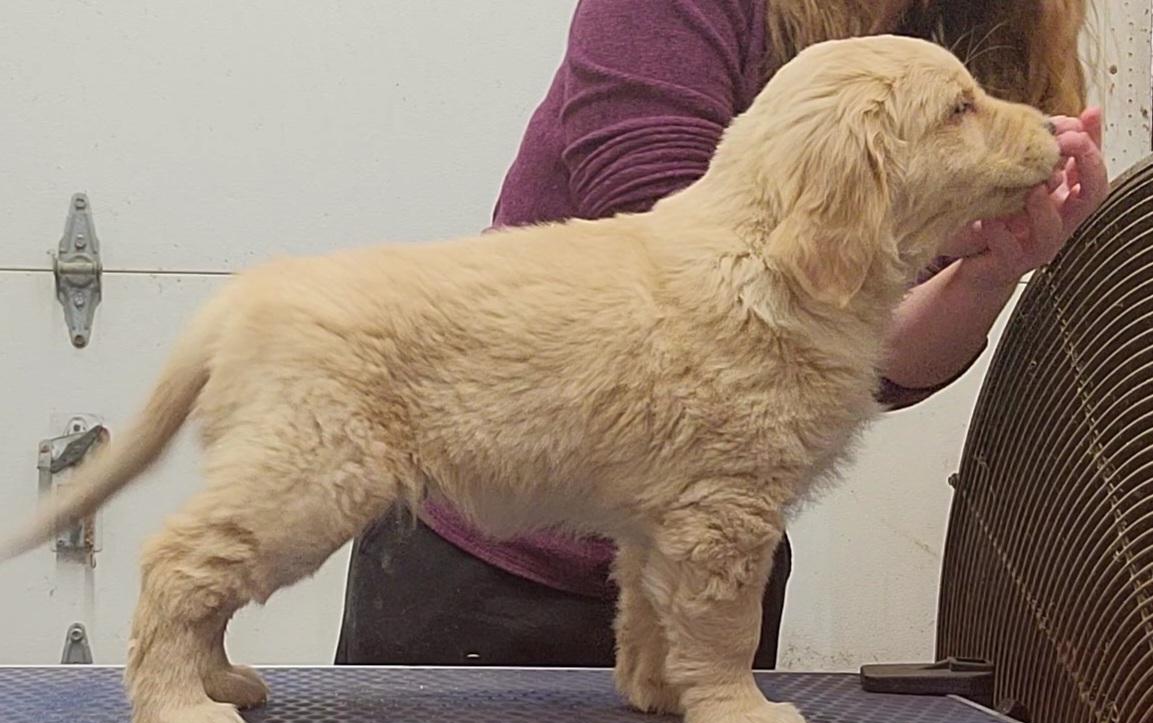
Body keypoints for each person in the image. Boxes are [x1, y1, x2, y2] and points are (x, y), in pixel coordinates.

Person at [335, 0, 1108, 668]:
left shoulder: (973, 29)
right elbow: (698, 318)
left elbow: (857, 363)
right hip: (492, 564)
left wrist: (986, 269)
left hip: (717, 553)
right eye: (961, 110)